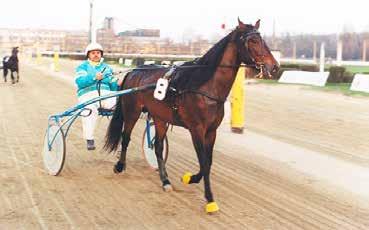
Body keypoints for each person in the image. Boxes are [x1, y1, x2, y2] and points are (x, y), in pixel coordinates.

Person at [75, 42, 123, 150]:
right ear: (88, 55)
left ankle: (118, 137)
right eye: (93, 53)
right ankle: (89, 138)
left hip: (106, 95)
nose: (96, 55)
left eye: (98, 53)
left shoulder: (107, 67)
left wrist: (118, 84)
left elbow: (112, 86)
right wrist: (94, 77)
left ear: (101, 54)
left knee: (121, 107)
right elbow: (80, 82)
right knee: (89, 109)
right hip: (88, 95)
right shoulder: (82, 67)